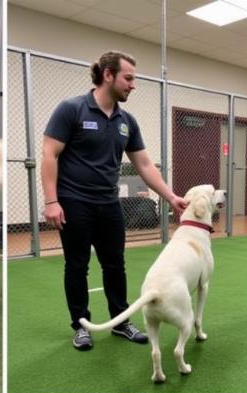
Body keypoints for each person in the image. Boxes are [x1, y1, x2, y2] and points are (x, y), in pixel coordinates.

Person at [41, 51, 188, 351]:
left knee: (115, 265)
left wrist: (171, 196)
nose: (133, 85)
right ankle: (80, 325)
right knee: (77, 266)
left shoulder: (126, 121)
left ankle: (120, 322)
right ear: (108, 75)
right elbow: (49, 153)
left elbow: (145, 165)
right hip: (74, 202)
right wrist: (51, 201)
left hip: (109, 204)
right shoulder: (72, 109)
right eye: (129, 78)